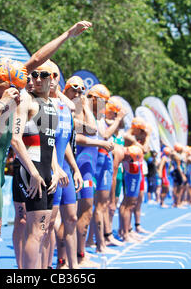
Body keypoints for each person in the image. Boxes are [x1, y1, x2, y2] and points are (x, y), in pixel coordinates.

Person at [11, 60, 67, 269]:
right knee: (34, 230)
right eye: (34, 75)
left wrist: (55, 169)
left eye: (43, 75)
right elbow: (15, 140)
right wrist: (34, 173)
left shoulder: (52, 106)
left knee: (43, 230)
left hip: (45, 172)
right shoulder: (26, 100)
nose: (36, 79)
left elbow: (49, 143)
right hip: (30, 171)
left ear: (53, 79)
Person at [42, 63, 83, 269]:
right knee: (48, 224)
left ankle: (73, 265)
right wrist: (56, 167)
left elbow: (64, 142)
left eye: (56, 75)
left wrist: (74, 169)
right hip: (50, 170)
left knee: (72, 218)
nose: (52, 79)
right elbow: (47, 141)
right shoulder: (45, 105)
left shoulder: (64, 108)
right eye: (49, 75)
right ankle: (50, 264)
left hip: (64, 170)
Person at [72, 83, 114, 267]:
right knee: (83, 211)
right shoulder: (81, 108)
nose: (105, 106)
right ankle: (78, 256)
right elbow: (76, 136)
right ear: (95, 99)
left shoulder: (92, 113)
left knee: (85, 212)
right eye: (104, 102)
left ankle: (81, 253)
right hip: (83, 164)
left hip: (89, 164)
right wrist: (100, 144)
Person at [92, 94, 125, 254]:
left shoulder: (105, 120)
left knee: (101, 205)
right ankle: (99, 243)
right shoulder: (101, 119)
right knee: (96, 205)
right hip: (97, 159)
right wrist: (118, 119)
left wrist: (119, 119)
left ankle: (98, 240)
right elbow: (105, 135)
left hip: (104, 160)